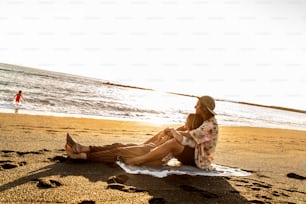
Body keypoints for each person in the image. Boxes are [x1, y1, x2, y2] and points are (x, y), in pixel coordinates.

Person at [65, 113, 203, 166]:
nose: (184, 123)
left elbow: (166, 153)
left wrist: (146, 149)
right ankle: (83, 148)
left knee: (118, 151)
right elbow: (155, 140)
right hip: (147, 147)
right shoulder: (181, 131)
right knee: (118, 145)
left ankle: (83, 156)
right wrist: (143, 144)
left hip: (150, 152)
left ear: (190, 123)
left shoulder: (185, 138)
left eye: (186, 121)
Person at [124, 95, 219, 170]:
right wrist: (170, 131)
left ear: (203, 108)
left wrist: (173, 132)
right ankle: (143, 148)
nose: (195, 106)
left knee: (174, 142)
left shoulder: (211, 125)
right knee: (167, 134)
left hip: (200, 159)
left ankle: (139, 159)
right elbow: (185, 128)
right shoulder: (205, 119)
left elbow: (189, 134)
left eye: (197, 105)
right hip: (194, 151)